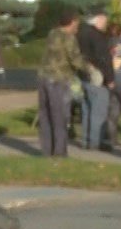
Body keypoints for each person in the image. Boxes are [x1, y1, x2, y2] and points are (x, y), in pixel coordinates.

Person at [36, 11, 92, 157]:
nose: (77, 27)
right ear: (72, 22)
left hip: (43, 77)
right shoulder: (69, 38)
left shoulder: (52, 33)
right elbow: (74, 59)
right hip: (59, 78)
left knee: (45, 114)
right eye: (77, 24)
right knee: (59, 116)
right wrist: (89, 69)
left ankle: (46, 150)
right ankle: (59, 151)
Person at [77, 12, 116, 151]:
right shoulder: (97, 36)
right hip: (97, 77)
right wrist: (110, 78)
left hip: (83, 75)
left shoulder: (80, 33)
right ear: (98, 20)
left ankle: (85, 140)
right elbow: (103, 58)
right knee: (98, 111)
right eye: (104, 20)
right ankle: (95, 142)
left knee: (87, 109)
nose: (105, 23)